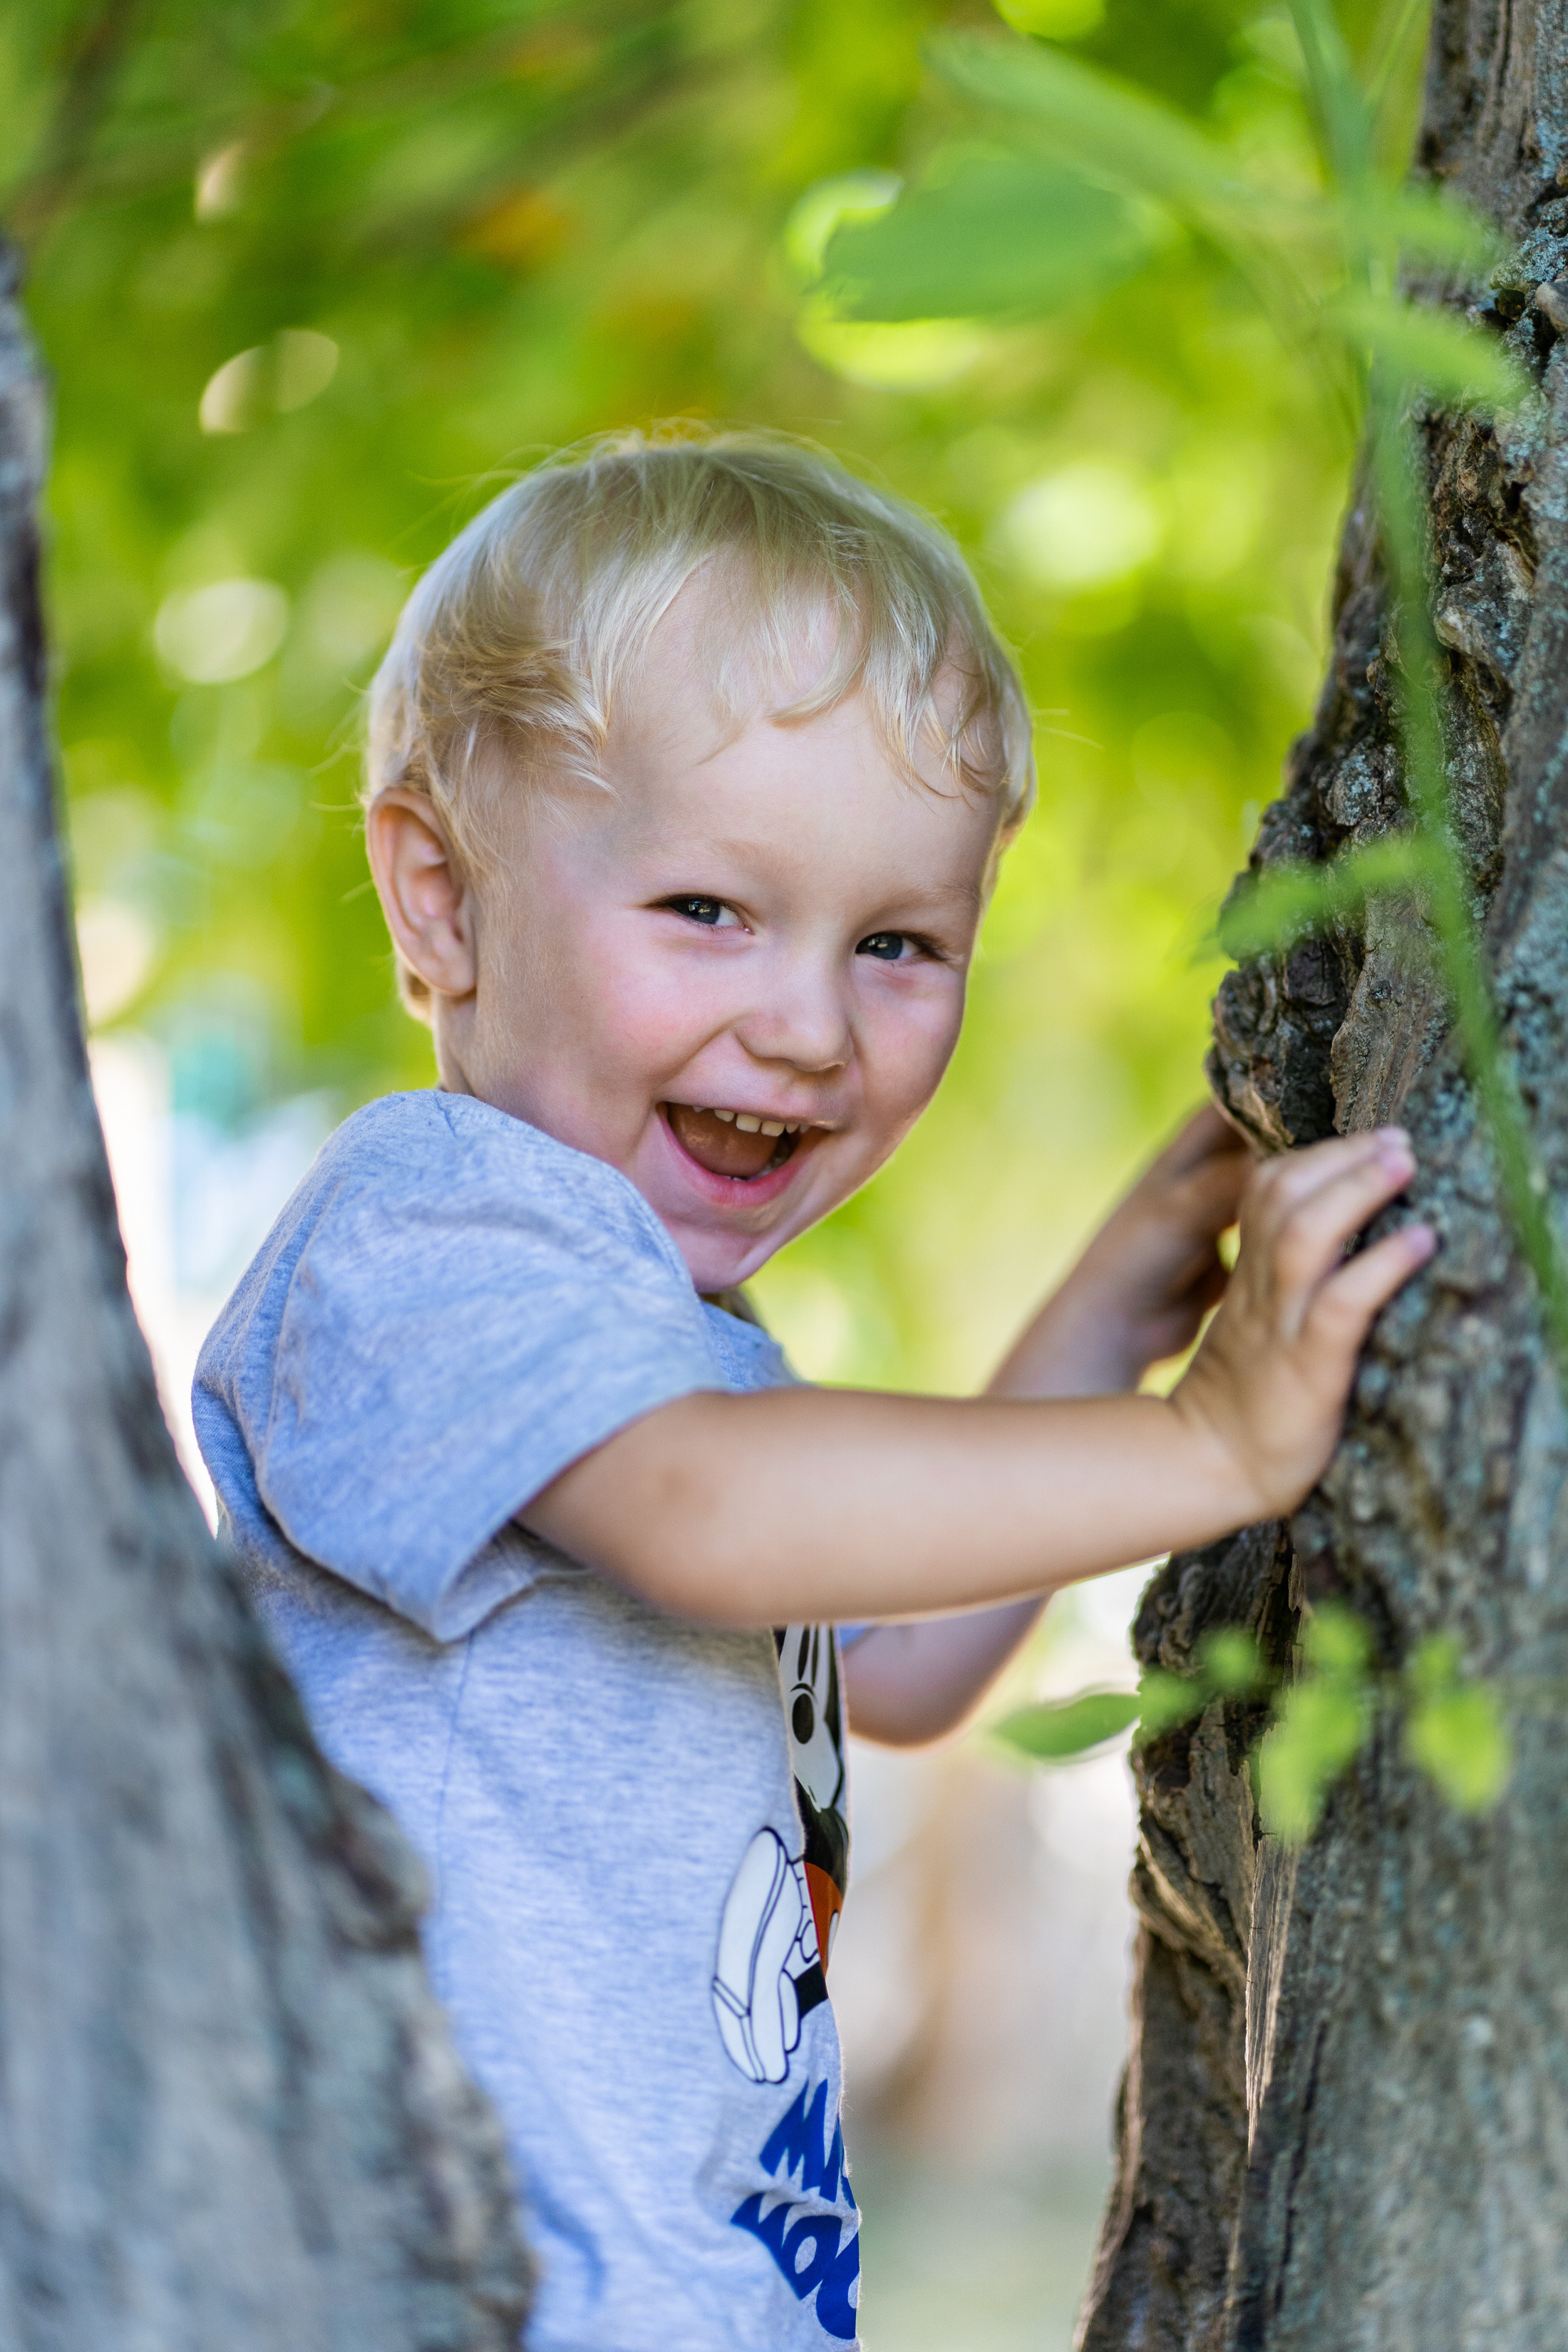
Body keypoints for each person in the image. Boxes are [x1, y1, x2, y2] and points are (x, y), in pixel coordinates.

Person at [194, 429, 1433, 2352]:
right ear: (439, 898)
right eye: (708, 909)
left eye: (897, 945)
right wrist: (1207, 1443)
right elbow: (709, 1512)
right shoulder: (424, 1233)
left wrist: (1117, 1305)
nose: (806, 1024)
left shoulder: (685, 1355)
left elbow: (905, 1662)